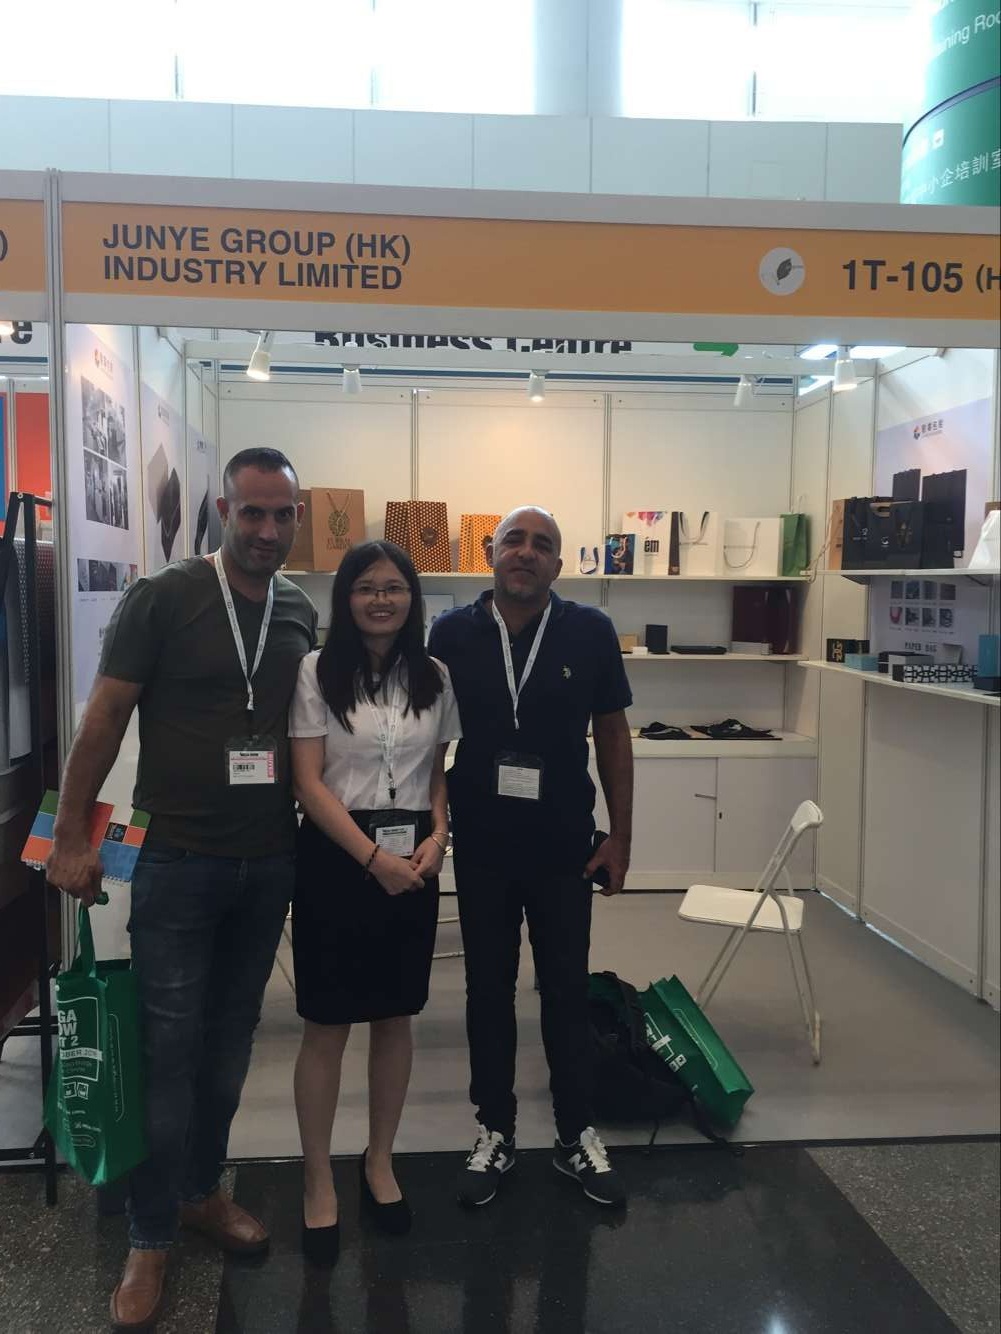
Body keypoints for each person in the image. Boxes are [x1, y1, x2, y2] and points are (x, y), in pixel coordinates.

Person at [46, 448, 317, 1332]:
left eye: (281, 514)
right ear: (222, 510)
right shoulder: (162, 597)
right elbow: (105, 715)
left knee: (230, 1049)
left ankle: (201, 1191)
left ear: (297, 516)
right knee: (168, 1054)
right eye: (251, 512)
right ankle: (150, 1235)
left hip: (266, 863)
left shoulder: (298, 610)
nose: (266, 530)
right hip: (178, 861)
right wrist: (69, 837)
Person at [428, 506, 634, 1209]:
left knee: (565, 989)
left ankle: (575, 1132)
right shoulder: (450, 633)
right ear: (490, 553)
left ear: (558, 564)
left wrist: (619, 837)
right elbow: (431, 740)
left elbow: (612, 735)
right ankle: (495, 1129)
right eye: (513, 540)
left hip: (563, 845)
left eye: (542, 545)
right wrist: (430, 827)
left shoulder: (590, 631)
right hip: (482, 842)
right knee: (486, 989)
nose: (526, 552)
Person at [289, 540, 461, 1265]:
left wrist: (439, 838)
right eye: (366, 588)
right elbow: (307, 781)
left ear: (411, 598)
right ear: (346, 598)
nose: (380, 600)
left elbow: (437, 773)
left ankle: (380, 1160)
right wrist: (372, 859)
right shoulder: (315, 670)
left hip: (413, 856)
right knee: (327, 1024)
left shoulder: (435, 675)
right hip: (338, 856)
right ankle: (316, 1177)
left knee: (395, 1016)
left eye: (393, 588)